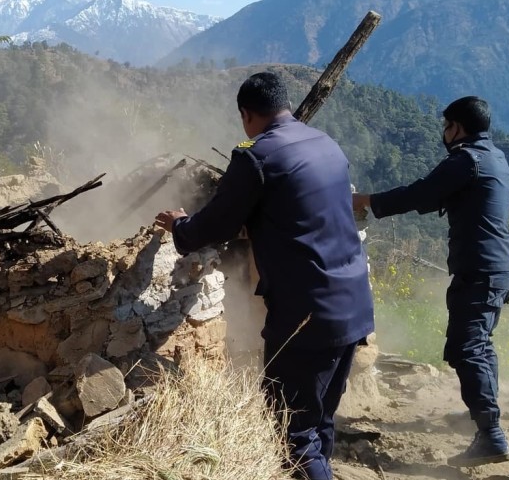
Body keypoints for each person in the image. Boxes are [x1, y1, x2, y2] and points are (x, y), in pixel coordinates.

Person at [155, 72, 374, 480]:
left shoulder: (255, 156)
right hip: (354, 307)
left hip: (306, 318)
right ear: (286, 106)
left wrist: (181, 226)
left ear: (247, 115)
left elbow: (216, 223)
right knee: (320, 421)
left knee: (292, 433)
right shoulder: (325, 143)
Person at [353, 96, 509, 467]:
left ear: (456, 127)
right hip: (499, 267)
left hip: (479, 269)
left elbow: (421, 193)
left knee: (467, 348)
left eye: (446, 126)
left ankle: (490, 435)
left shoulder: (466, 160)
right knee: (481, 344)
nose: (444, 133)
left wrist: (364, 200)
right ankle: (482, 416)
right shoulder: (495, 156)